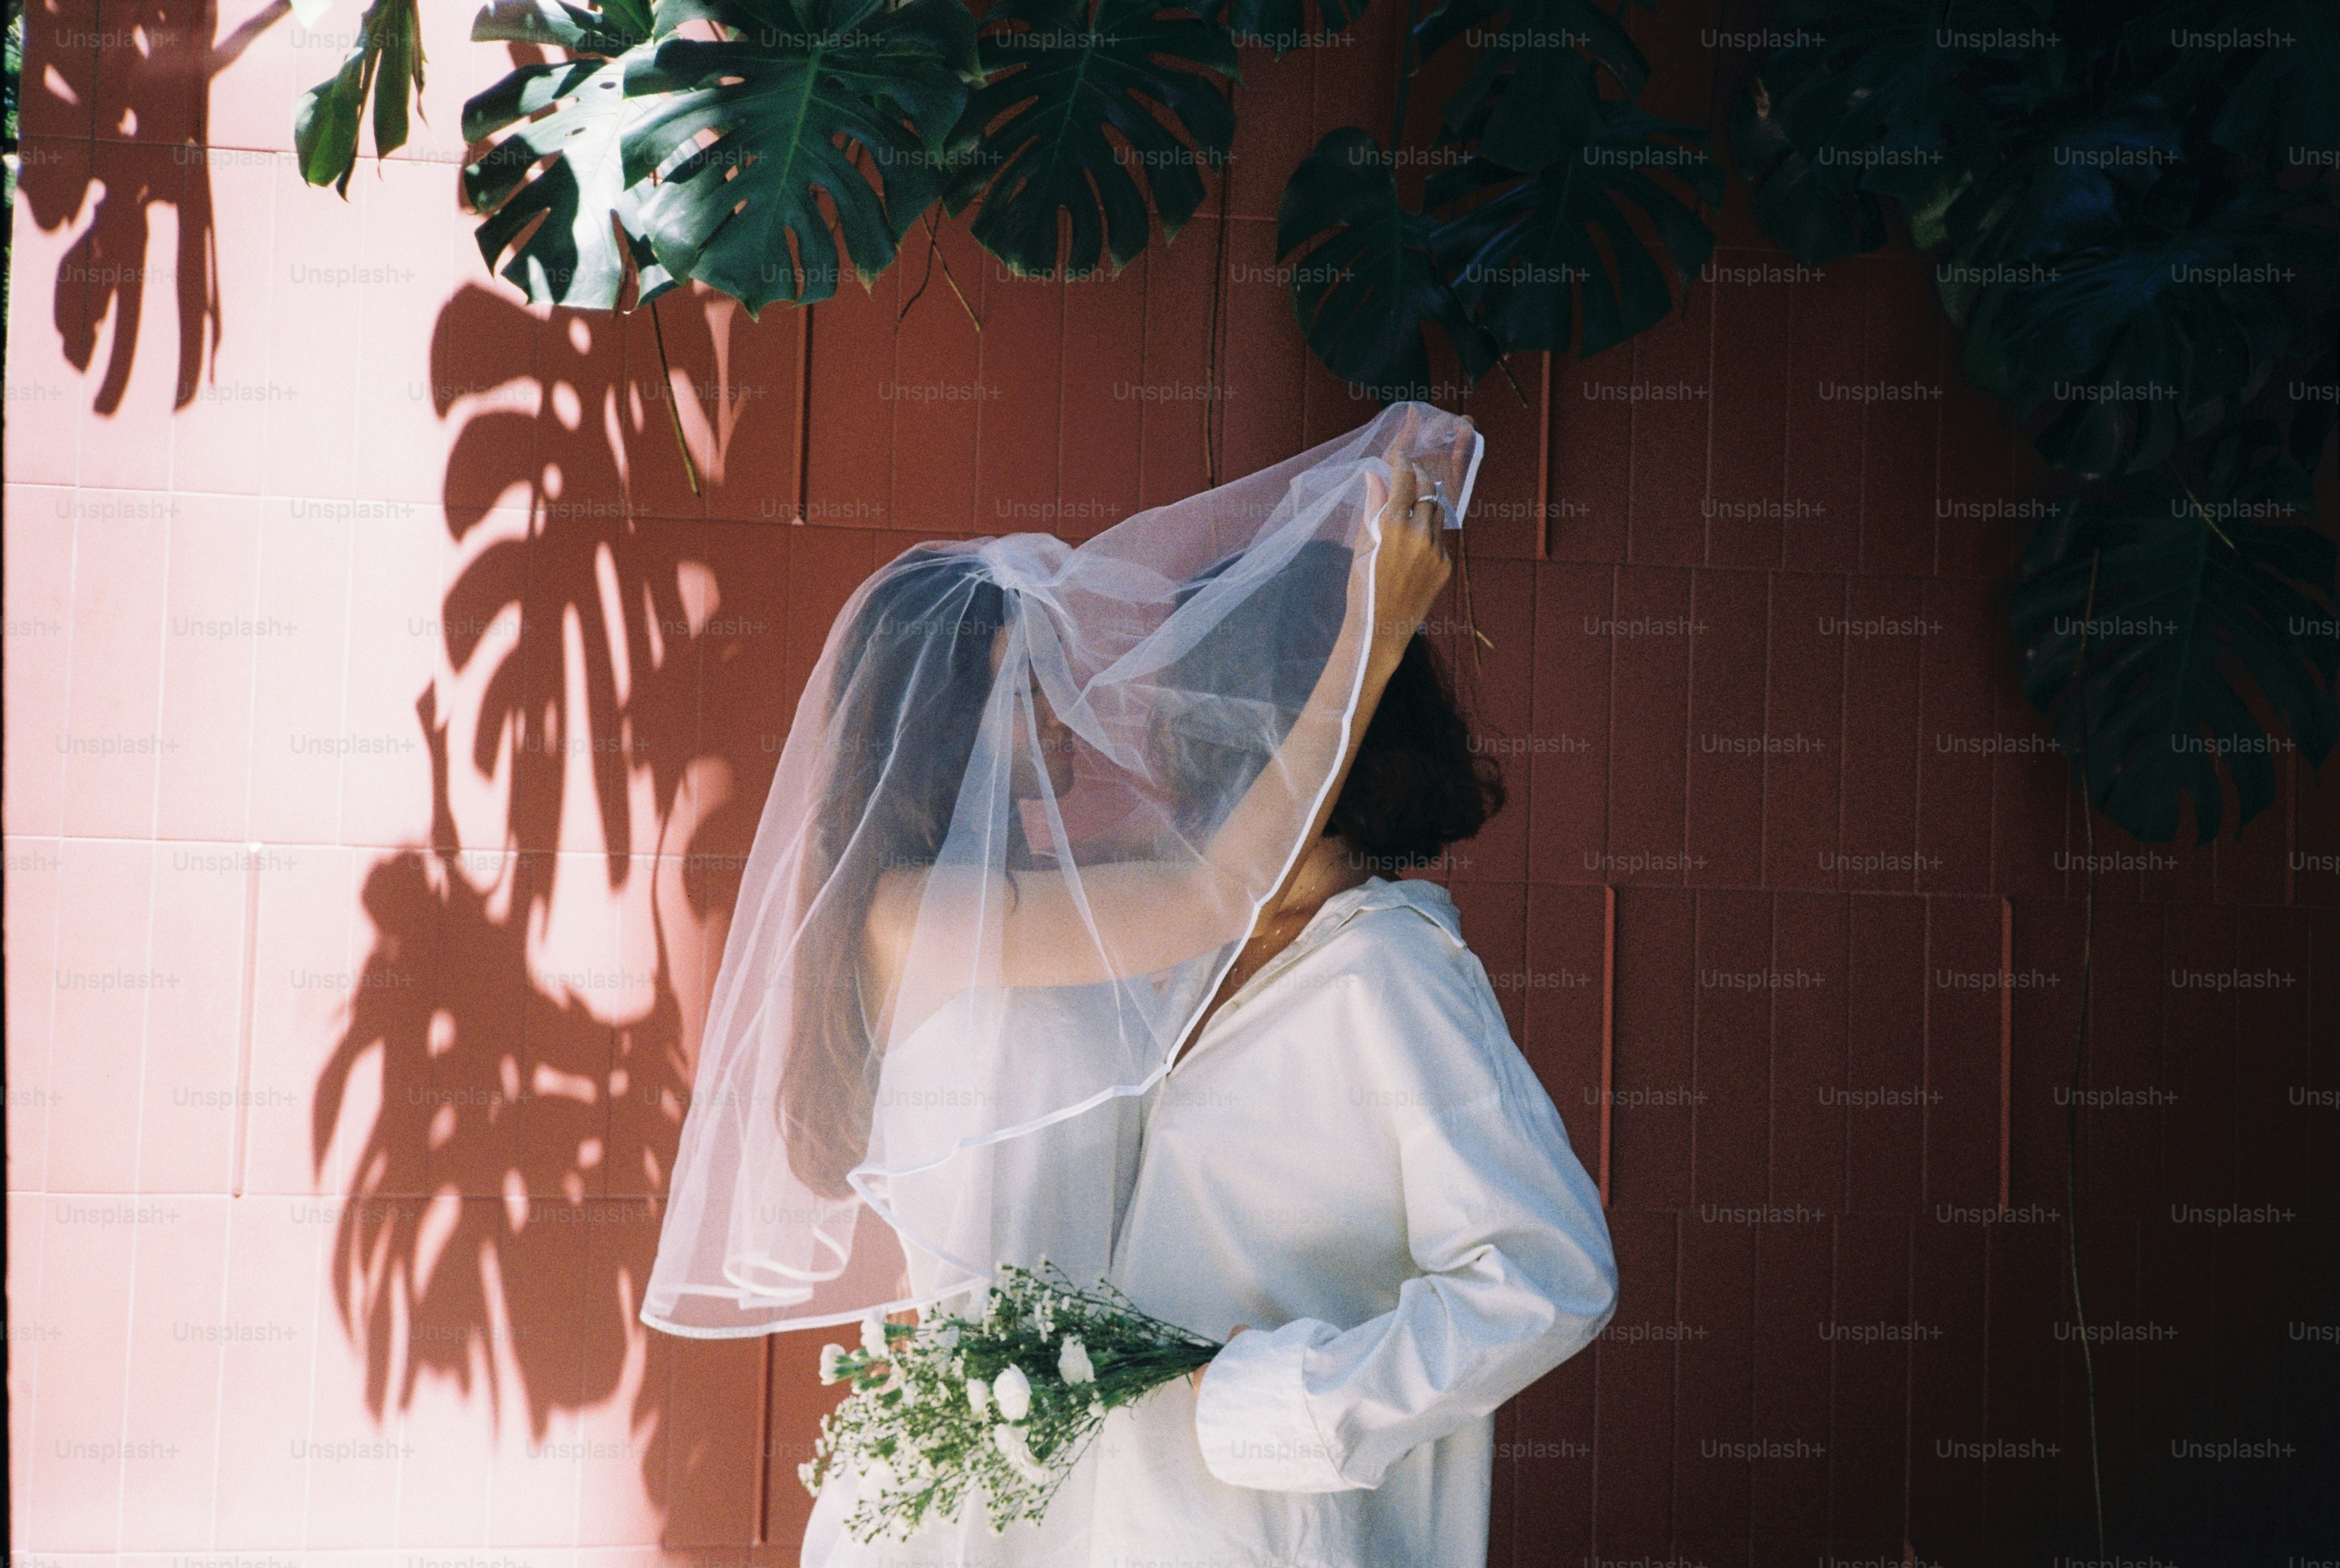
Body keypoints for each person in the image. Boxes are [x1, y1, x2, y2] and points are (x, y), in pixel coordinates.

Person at [1088, 467, 1620, 1567]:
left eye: (1213, 727)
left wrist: (1286, 1402)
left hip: (1281, 1533)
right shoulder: (1181, 961)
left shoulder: (1389, 972)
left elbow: (1551, 1275)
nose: (1184, 766)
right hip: (1115, 1523)